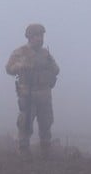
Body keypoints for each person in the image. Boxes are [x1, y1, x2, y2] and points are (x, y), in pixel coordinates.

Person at [5, 23, 61, 156]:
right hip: (28, 94)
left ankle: (45, 149)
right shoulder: (20, 52)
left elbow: (56, 70)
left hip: (44, 94)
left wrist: (50, 66)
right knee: (25, 123)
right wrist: (21, 65)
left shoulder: (45, 53)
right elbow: (8, 68)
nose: (40, 39)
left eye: (41, 36)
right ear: (30, 37)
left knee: (46, 122)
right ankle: (23, 149)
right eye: (37, 36)